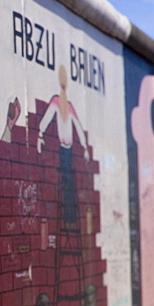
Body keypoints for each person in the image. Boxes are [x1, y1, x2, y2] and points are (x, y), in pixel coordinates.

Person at [37, 66, 89, 222]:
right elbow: (46, 118)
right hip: (63, 151)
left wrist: (85, 147)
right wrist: (40, 134)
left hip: (68, 150)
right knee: (66, 183)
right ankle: (67, 216)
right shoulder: (57, 102)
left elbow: (78, 127)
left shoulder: (68, 106)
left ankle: (70, 217)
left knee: (69, 184)